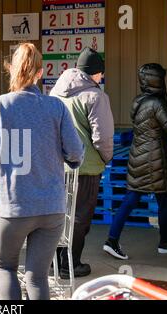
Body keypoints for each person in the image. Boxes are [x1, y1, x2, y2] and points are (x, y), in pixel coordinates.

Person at [0, 43, 84, 300]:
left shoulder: (1, 106)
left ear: (12, 71)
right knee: (37, 277)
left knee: (5, 268)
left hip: (15, 207)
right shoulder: (56, 107)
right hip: (52, 208)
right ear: (40, 73)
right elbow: (76, 154)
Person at [50, 47, 114, 279]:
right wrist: (106, 158)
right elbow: (103, 137)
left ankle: (54, 262)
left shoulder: (55, 94)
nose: (102, 78)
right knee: (80, 217)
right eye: (100, 73)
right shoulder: (96, 96)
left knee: (59, 214)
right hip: (86, 168)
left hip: (57, 166)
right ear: (94, 73)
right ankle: (70, 264)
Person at [103, 63, 167, 259]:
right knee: (166, 200)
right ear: (156, 80)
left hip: (139, 157)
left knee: (136, 200)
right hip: (155, 161)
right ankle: (161, 242)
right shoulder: (156, 103)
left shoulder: (140, 101)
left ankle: (161, 242)